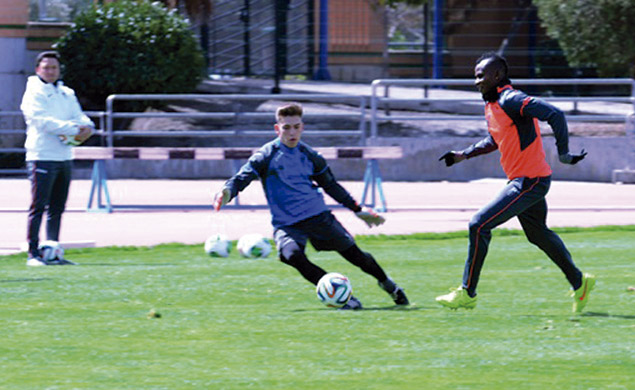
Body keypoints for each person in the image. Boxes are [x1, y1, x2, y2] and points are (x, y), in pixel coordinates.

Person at [435, 52, 594, 313]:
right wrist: (464, 154)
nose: (476, 82)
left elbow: (555, 114)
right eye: (474, 76)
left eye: (480, 76)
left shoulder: (512, 99)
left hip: (529, 181)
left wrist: (564, 154)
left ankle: (467, 294)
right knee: (538, 234)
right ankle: (580, 282)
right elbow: (495, 140)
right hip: (529, 180)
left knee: (478, 225)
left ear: (497, 75)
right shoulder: (493, 105)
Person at [213, 103, 409, 309]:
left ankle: (389, 285)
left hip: (318, 216)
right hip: (286, 223)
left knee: (356, 256)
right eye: (286, 127)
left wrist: (357, 209)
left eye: (296, 126)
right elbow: (242, 177)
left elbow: (331, 186)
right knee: (291, 256)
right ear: (277, 128)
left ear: (302, 127)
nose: (292, 132)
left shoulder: (311, 156)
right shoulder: (266, 155)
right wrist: (227, 192)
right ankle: (343, 297)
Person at [21, 51, 94, 266]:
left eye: (54, 67)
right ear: (38, 69)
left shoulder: (66, 93)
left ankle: (52, 252)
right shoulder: (33, 92)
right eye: (46, 67)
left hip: (64, 156)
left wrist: (87, 127)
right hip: (41, 155)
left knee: (57, 207)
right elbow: (41, 121)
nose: (50, 71)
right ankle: (33, 254)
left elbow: (78, 115)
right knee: (38, 206)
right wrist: (74, 128)